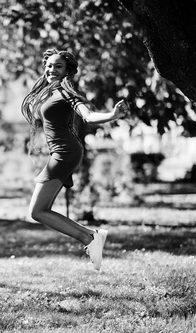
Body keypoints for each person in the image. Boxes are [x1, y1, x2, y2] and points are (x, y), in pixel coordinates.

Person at [21, 48, 129, 271]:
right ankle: (91, 235)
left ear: (67, 71)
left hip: (65, 152)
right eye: (49, 65)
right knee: (41, 210)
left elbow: (88, 116)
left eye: (57, 66)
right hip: (61, 151)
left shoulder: (65, 92)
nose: (51, 69)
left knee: (37, 211)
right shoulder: (49, 92)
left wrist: (112, 115)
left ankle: (90, 237)